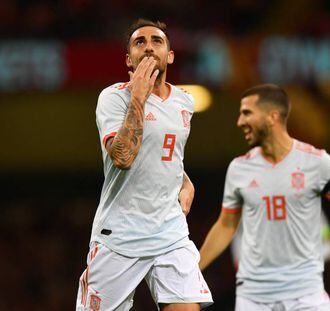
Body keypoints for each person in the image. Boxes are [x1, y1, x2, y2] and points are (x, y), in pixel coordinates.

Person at [199, 84, 330, 310]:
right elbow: (226, 225)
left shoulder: (316, 162)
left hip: (305, 295)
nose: (240, 121)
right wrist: (193, 270)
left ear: (272, 117)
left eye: (247, 113)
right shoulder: (240, 169)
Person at [76, 19, 213, 311]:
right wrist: (138, 97)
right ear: (129, 58)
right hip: (120, 236)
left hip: (169, 233)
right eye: (140, 42)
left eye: (157, 41)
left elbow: (166, 151)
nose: (148, 46)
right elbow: (123, 157)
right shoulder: (114, 98)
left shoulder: (184, 101)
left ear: (170, 55)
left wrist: (183, 178)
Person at [230, 211, 330, 270]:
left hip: (304, 284)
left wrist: (302, 260)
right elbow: (239, 260)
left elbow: (329, 246)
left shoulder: (309, 206)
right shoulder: (250, 208)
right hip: (263, 287)